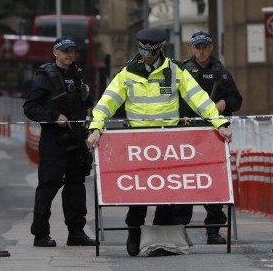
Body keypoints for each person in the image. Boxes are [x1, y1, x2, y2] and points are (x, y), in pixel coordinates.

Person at [86, 28, 232, 256]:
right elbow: (107, 102)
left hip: (167, 144)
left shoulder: (175, 71)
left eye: (151, 54)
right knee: (138, 194)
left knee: (166, 193)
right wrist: (96, 127)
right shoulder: (127, 73)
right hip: (137, 144)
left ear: (159, 50)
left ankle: (160, 239)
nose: (147, 58)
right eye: (144, 53)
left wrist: (219, 123)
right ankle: (134, 231)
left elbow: (198, 98)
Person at [23, 36, 97, 247]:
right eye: (65, 51)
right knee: (48, 184)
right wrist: (54, 117)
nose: (70, 55)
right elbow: (30, 107)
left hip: (76, 138)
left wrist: (87, 97)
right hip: (54, 140)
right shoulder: (45, 76)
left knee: (76, 186)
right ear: (56, 53)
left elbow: (83, 105)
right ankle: (40, 234)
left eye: (72, 51)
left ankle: (76, 232)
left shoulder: (77, 73)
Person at [174, 31, 242, 245]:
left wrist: (224, 104)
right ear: (192, 49)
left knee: (213, 184)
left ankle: (213, 230)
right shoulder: (183, 70)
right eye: (197, 47)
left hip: (213, 136)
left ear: (211, 47)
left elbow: (236, 100)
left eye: (204, 47)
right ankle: (180, 229)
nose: (201, 51)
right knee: (184, 183)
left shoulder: (221, 72)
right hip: (187, 134)